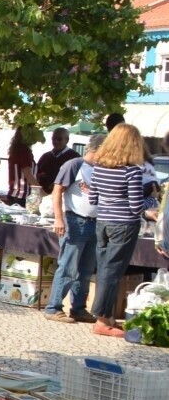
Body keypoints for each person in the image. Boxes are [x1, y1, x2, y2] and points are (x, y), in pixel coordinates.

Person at [85, 123, 156, 337]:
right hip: (124, 224)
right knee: (112, 271)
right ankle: (101, 320)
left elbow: (93, 199)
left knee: (104, 268)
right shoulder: (132, 171)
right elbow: (136, 206)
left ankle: (107, 317)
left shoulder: (99, 167)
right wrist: (151, 201)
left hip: (103, 222)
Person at [43, 139, 100, 324]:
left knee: (86, 270)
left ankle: (78, 308)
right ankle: (53, 307)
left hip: (94, 223)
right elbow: (57, 190)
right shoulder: (75, 164)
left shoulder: (101, 169)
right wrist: (59, 218)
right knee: (68, 267)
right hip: (75, 221)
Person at [35, 127, 77, 196]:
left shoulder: (74, 158)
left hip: (64, 197)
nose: (56, 141)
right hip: (43, 195)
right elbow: (36, 175)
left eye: (59, 139)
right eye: (53, 139)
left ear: (67, 140)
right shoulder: (45, 156)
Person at [6, 127, 35, 201]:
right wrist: (41, 191)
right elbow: (28, 174)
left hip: (15, 194)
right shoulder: (24, 151)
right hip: (21, 195)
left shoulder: (17, 149)